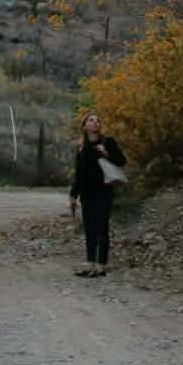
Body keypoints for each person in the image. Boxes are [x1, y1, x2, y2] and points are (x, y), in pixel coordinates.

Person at [68, 112, 126, 278]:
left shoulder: (108, 141)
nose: (95, 123)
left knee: (102, 228)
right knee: (89, 229)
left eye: (97, 120)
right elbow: (79, 173)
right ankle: (90, 263)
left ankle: (101, 265)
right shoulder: (81, 146)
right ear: (84, 126)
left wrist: (106, 153)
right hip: (87, 193)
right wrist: (73, 195)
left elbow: (122, 161)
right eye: (91, 120)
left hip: (103, 192)